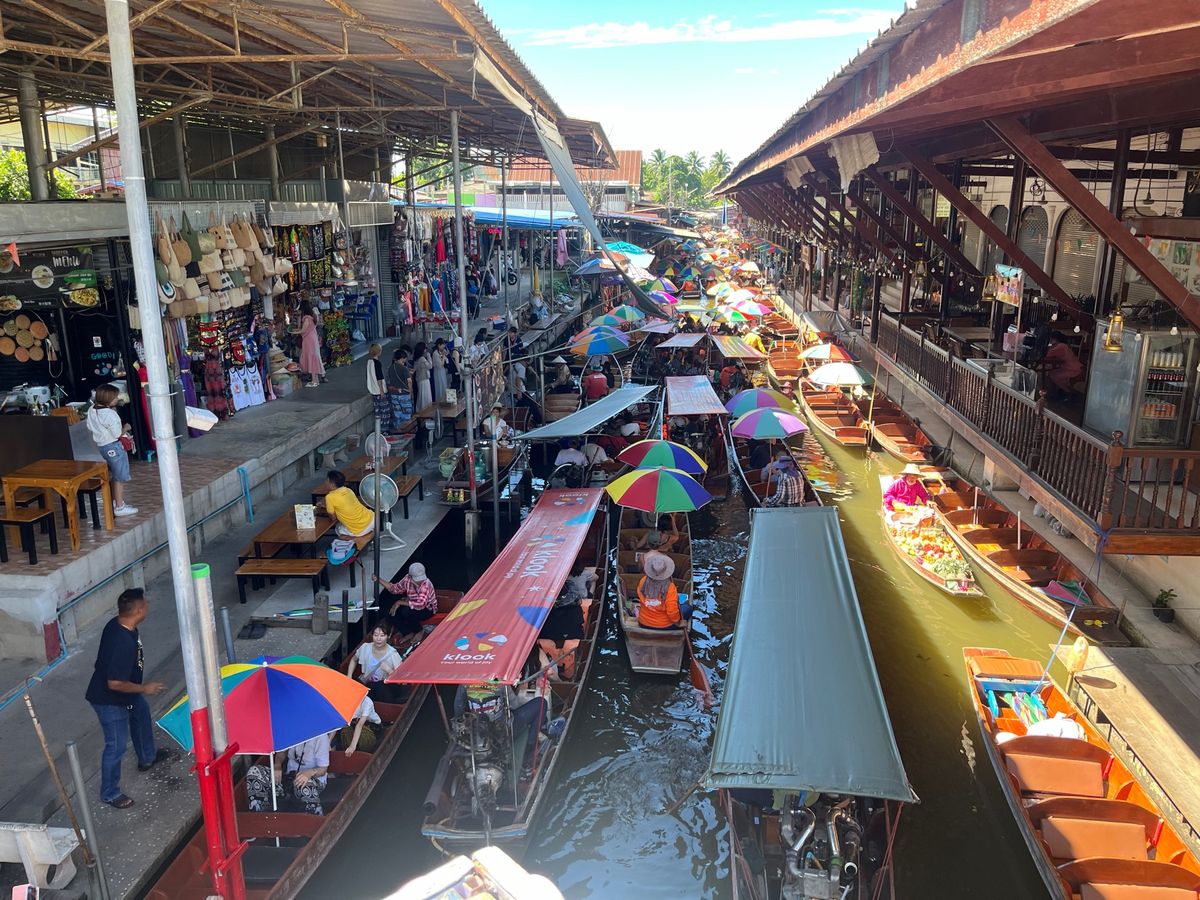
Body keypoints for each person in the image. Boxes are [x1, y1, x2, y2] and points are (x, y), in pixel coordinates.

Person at [85, 588, 172, 809]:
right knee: (116, 746)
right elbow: (114, 683)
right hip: (109, 700)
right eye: (146, 602)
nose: (148, 604)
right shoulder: (121, 641)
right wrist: (144, 688)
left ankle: (147, 758)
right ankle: (110, 793)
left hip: (126, 692)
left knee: (141, 715)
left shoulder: (120, 623)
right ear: (140, 610)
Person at [454, 683, 547, 780]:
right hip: (505, 729)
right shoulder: (500, 681)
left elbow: (458, 708)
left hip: (478, 732)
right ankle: (529, 749)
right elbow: (514, 705)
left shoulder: (464, 683)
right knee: (541, 703)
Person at [246, 732, 331, 816]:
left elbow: (323, 769)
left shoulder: (321, 737)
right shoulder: (290, 731)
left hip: (312, 780)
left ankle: (315, 816)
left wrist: (308, 773)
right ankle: (260, 814)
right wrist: (277, 765)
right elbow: (282, 752)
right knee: (254, 771)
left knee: (304, 784)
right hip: (289, 777)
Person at [538, 561, 596, 680]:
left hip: (552, 640)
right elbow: (579, 623)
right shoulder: (575, 610)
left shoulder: (544, 614)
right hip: (571, 639)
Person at [88, 384, 138, 517]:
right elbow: (117, 434)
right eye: (115, 397)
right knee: (120, 476)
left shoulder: (92, 410)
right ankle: (120, 507)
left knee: (116, 474)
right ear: (108, 399)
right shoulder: (111, 414)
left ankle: (118, 502)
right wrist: (126, 428)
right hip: (114, 446)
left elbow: (89, 425)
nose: (117, 399)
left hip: (102, 446)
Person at [374, 562, 438, 635]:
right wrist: (378, 579)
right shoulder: (407, 579)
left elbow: (420, 604)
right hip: (411, 603)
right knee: (390, 613)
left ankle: (419, 631)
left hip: (427, 609)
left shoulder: (426, 585)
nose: (419, 581)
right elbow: (395, 589)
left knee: (406, 612)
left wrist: (399, 602)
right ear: (410, 577)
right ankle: (407, 633)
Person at [346, 624, 404, 701]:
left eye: (382, 635)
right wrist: (349, 677)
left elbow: (401, 681)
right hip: (367, 683)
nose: (378, 639)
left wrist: (389, 670)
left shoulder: (393, 654)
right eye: (376, 635)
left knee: (377, 686)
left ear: (388, 636)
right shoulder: (365, 647)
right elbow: (354, 660)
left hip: (384, 688)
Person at [636, 552, 690, 630]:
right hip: (664, 626)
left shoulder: (643, 581)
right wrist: (678, 623)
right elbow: (672, 613)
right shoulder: (670, 587)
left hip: (643, 622)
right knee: (688, 608)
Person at [319, 470, 374, 537]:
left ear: (332, 484)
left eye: (327, 480)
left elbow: (333, 518)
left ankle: (348, 543)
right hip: (371, 519)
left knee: (338, 528)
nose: (325, 482)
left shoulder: (329, 497)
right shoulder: (348, 490)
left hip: (359, 530)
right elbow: (345, 505)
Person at [1043, 331, 1084, 402]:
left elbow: (1048, 354)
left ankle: (1068, 392)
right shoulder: (1062, 345)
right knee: (1053, 373)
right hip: (1071, 367)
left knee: (1053, 375)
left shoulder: (1061, 346)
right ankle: (1062, 392)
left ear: (1055, 339)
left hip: (1073, 369)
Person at [293, 299, 325, 387]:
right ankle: (316, 380)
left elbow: (303, 330)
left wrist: (293, 332)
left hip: (309, 341)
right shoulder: (313, 317)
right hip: (313, 339)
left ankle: (314, 381)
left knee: (311, 358)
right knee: (313, 357)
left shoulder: (307, 318)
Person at [386, 347, 413, 431]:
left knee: (397, 413)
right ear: (402, 358)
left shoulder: (390, 368)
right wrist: (411, 391)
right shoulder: (404, 368)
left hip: (393, 394)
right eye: (405, 358)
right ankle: (406, 430)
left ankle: (398, 429)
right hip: (404, 394)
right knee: (406, 413)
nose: (405, 360)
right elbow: (409, 381)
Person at [366, 343, 390, 433]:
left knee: (377, 412)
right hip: (379, 391)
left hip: (373, 391)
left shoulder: (369, 362)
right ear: (378, 352)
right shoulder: (377, 363)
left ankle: (378, 429)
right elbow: (379, 378)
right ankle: (384, 430)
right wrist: (382, 391)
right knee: (385, 412)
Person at [412, 342, 433, 410]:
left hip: (420, 379)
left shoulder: (417, 358)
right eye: (425, 348)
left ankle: (420, 409)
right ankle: (425, 410)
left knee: (421, 396)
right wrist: (429, 356)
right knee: (425, 397)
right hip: (424, 379)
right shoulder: (422, 359)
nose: (426, 350)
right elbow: (430, 366)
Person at [431, 338, 450, 402]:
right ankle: (439, 401)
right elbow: (440, 365)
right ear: (439, 345)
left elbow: (447, 362)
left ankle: (445, 400)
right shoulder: (435, 353)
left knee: (444, 385)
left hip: (443, 371)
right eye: (443, 345)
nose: (444, 346)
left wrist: (445, 355)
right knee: (439, 386)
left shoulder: (442, 351)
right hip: (438, 371)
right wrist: (444, 356)